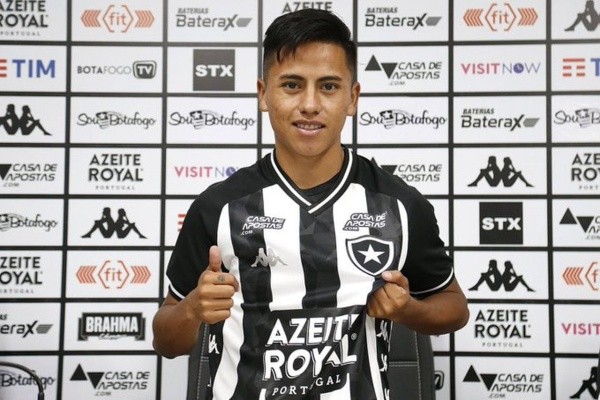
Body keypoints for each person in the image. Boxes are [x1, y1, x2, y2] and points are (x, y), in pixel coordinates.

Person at [152, 8, 469, 400]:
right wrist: (191, 311)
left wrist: (409, 311)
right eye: (291, 85)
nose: (310, 104)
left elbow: (454, 307)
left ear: (353, 98)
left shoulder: (398, 204)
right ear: (263, 94)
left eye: (329, 86)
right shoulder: (218, 207)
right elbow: (165, 341)